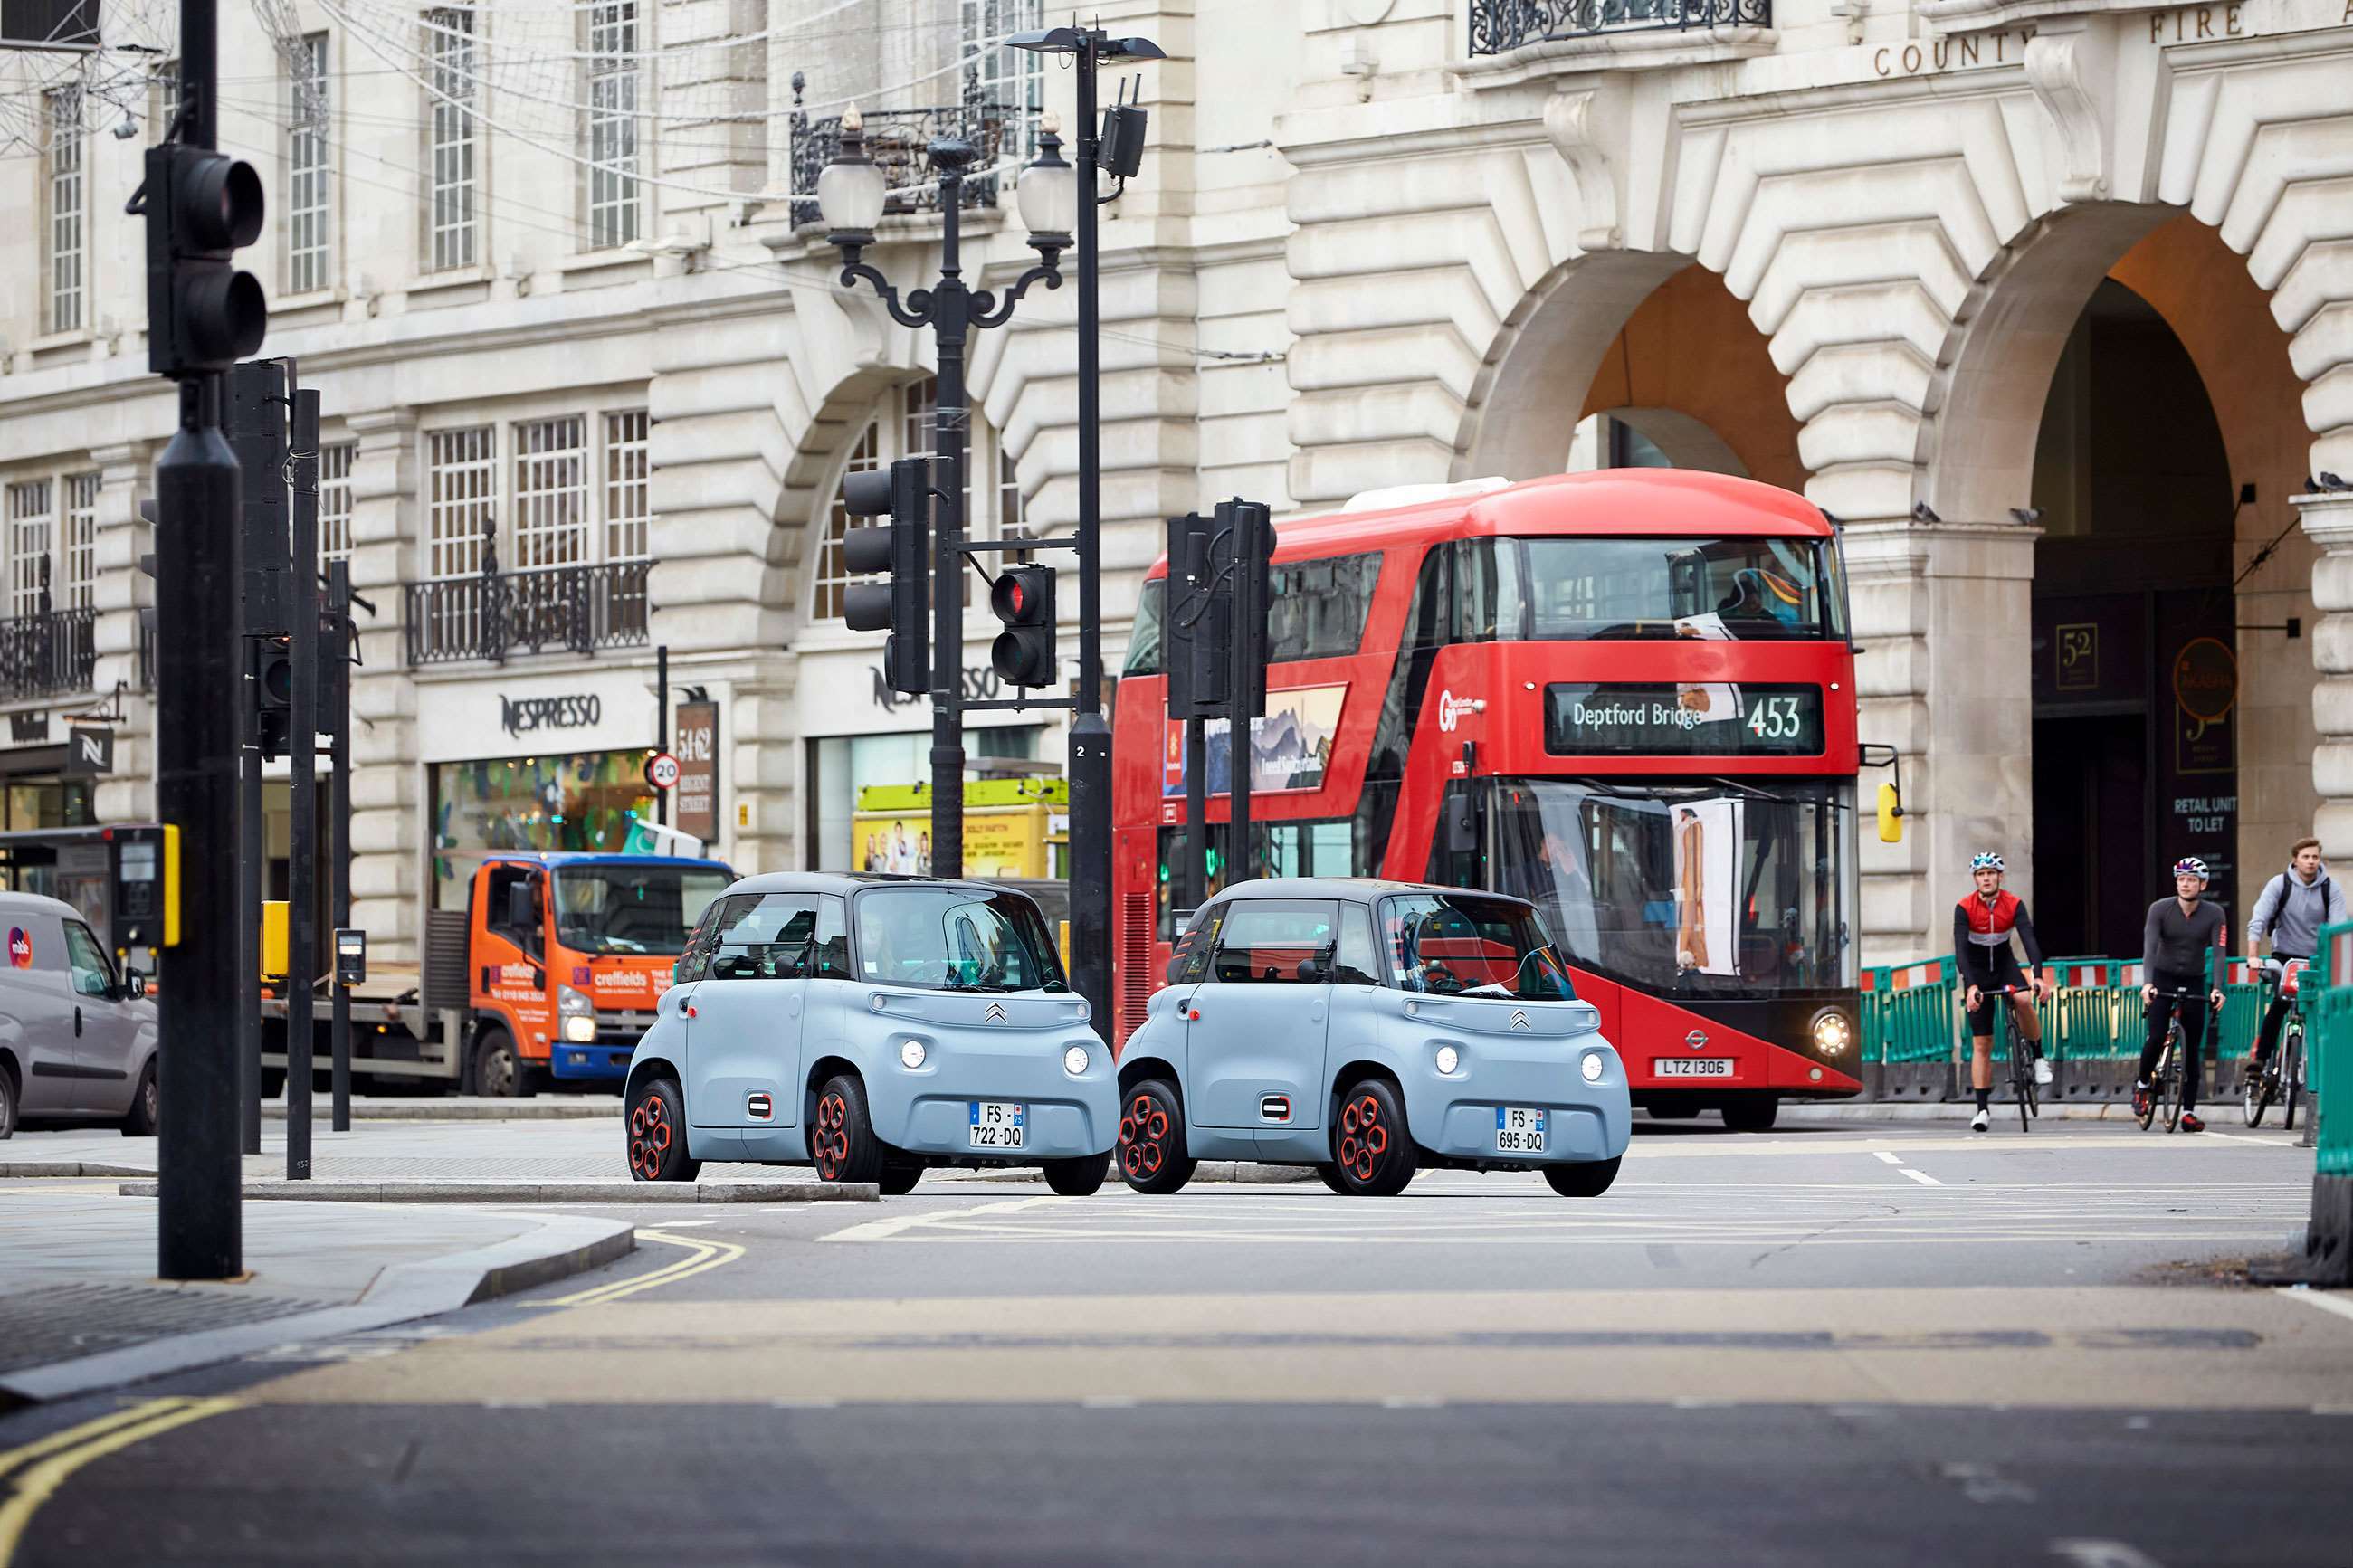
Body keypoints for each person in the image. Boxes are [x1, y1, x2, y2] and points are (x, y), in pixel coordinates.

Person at [1954, 852, 2055, 1133]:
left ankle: (2037, 1058)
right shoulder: (1964, 907)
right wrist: (1971, 986)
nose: (1986, 878)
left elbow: (2029, 939)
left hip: (2004, 965)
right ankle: (1982, 1109)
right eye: (1981, 874)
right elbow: (1961, 950)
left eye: (1991, 873)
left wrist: (2037, 976)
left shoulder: (2013, 904)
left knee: (2023, 998)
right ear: (1975, 879)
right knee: (1982, 1044)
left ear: (2000, 877)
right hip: (1976, 973)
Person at [2137, 857, 2230, 1134]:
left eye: (2191, 880)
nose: (2185, 884)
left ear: (2202, 884)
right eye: (2181, 879)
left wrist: (2217, 988)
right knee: (2155, 1036)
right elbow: (2150, 947)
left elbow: (2220, 953)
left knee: (2192, 1051)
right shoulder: (2159, 909)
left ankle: (2188, 1111)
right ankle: (2143, 1085)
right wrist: (2148, 983)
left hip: (2194, 980)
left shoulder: (2215, 914)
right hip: (2162, 978)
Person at [2243, 836, 2345, 1087]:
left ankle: (2326, 1069)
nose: (2311, 862)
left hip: (2316, 957)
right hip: (2284, 955)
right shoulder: (2280, 884)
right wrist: (2253, 956)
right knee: (2279, 1005)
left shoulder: (2330, 888)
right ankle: (2260, 1059)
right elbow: (2258, 919)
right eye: (2305, 857)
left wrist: (2336, 961)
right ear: (2295, 860)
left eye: (2315, 857)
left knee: (2322, 1011)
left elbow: (2339, 928)